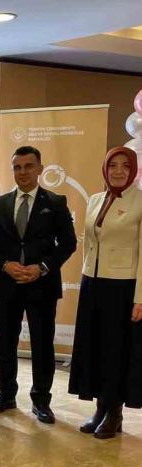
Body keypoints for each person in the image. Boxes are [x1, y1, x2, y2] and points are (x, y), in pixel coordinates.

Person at [0, 146, 76, 423]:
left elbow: (68, 243)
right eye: (17, 167)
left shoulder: (55, 202)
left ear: (40, 169)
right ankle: (5, 394)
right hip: (7, 283)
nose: (22, 172)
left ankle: (41, 400)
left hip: (41, 285)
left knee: (42, 344)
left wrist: (42, 267)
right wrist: (4, 264)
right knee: (5, 343)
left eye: (28, 166)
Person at [69, 146, 142, 439]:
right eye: (113, 165)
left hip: (123, 286)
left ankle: (114, 412)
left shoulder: (140, 201)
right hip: (93, 283)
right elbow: (89, 243)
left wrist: (140, 298)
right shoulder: (96, 199)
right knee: (95, 347)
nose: (119, 171)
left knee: (116, 351)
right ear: (105, 169)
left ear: (134, 170)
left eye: (126, 165)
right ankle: (100, 408)